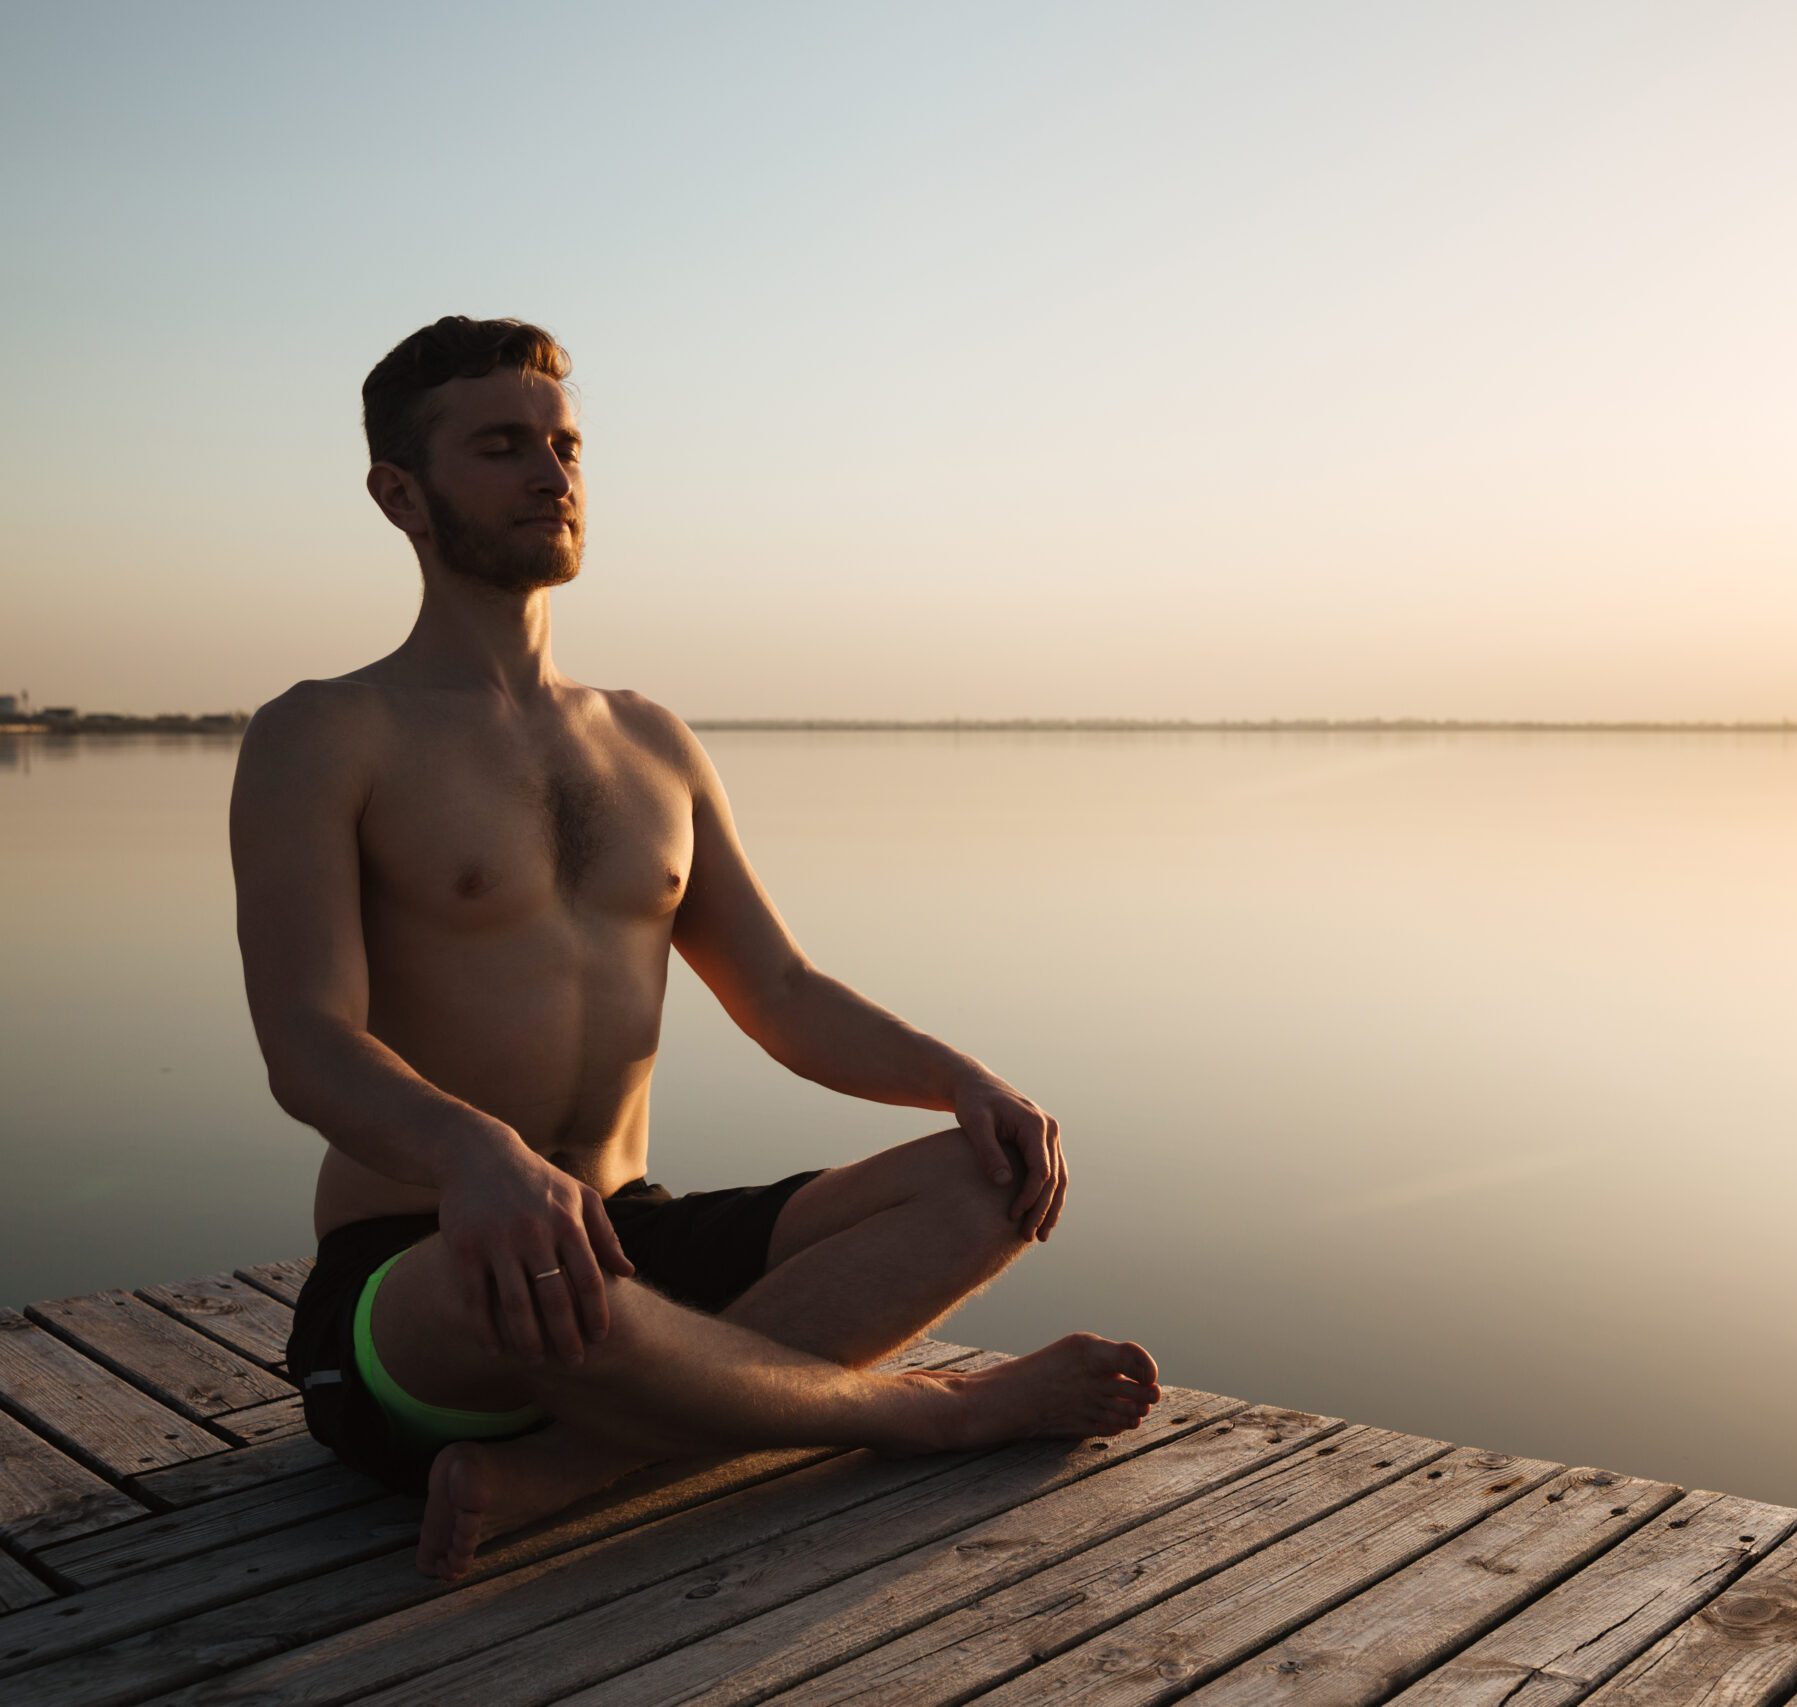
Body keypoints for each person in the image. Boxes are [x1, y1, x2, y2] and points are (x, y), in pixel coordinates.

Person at [229, 315, 1158, 1581]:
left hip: (632, 1233)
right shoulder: (326, 733)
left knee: (990, 1176)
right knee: (531, 1285)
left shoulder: (650, 739)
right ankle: (931, 1412)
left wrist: (961, 1082)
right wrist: (477, 1157)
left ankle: (572, 1470)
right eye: (502, 448)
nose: (552, 477)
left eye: (564, 446)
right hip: (426, 1274)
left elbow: (779, 990)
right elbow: (307, 1043)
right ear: (401, 493)